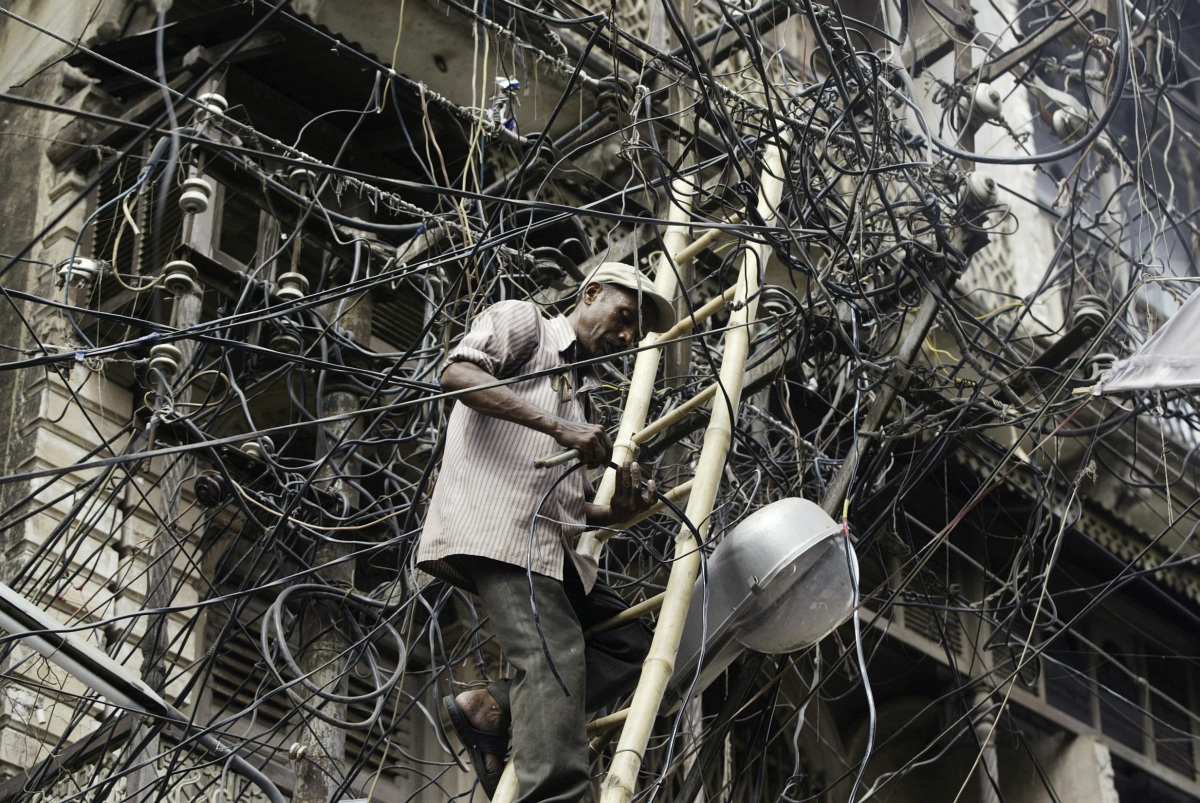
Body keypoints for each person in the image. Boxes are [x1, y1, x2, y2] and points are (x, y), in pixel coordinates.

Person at [417, 262, 677, 802]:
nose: (628, 337)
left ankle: (492, 707)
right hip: (500, 531)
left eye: (636, 332)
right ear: (590, 294)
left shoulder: (579, 391)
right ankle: (558, 797)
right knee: (551, 655)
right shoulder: (526, 323)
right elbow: (457, 373)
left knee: (629, 645)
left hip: (549, 550)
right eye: (625, 317)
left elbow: (565, 504)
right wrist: (560, 426)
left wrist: (618, 513)